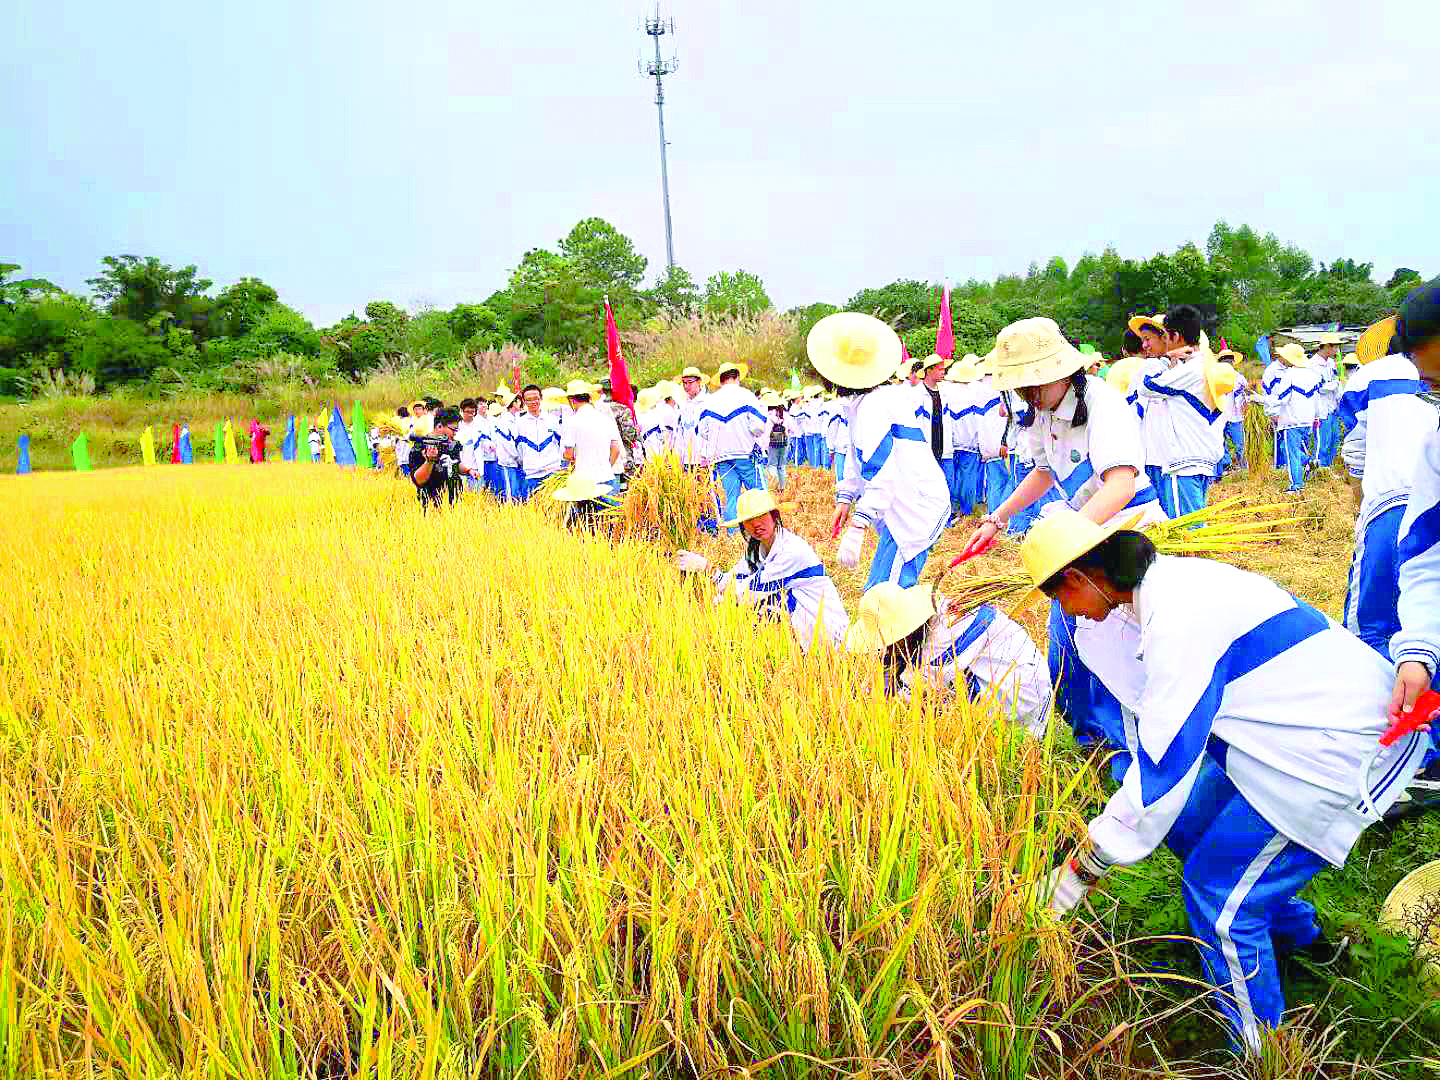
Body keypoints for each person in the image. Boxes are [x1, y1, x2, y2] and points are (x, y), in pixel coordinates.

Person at [1026, 510, 1429, 1055]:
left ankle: (1263, 1049)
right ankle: (1302, 942)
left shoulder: (1178, 618)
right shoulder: (1163, 590)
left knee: (1219, 903)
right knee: (1191, 827)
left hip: (1334, 749)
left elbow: (1165, 766)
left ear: (1078, 578)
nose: (1066, 612)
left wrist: (1084, 868)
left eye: (1059, 598)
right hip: (1289, 733)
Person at [962, 316, 1164, 763]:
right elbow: (1043, 472)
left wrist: (1068, 543)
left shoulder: (1104, 404)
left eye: (1034, 383)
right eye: (1021, 386)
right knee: (1066, 650)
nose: (1028, 394)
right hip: (1081, 543)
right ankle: (1087, 739)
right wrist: (996, 519)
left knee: (1111, 652)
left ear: (1061, 371)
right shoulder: (1043, 413)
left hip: (1122, 539)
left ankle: (1124, 750)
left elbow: (1120, 486)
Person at [812, 314, 950, 591]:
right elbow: (858, 457)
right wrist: (846, 497)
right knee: (880, 591)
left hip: (913, 510)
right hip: (904, 506)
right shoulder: (869, 401)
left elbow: (882, 473)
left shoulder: (873, 407)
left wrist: (859, 525)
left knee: (887, 596)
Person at [1332, 333, 1434, 657]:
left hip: (1389, 503)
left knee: (1371, 627)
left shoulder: (1371, 375)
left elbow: (1355, 450)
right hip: (1432, 505)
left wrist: (1359, 500)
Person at [846, 582, 1050, 733]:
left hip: (1020, 697)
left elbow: (913, 693)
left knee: (932, 711)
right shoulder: (938, 607)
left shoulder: (941, 644)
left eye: (889, 642)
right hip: (1020, 668)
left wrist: (873, 699)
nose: (886, 648)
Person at [674, 489, 847, 649]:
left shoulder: (791, 550)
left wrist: (709, 570)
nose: (756, 524)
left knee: (762, 603)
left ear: (774, 516)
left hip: (825, 629)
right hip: (802, 623)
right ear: (743, 526)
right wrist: (709, 574)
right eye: (749, 520)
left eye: (762, 516)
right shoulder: (758, 549)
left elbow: (749, 592)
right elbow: (734, 580)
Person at [1133, 305, 1227, 517]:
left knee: (1185, 527)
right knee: (1194, 521)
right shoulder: (1203, 365)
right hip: (1199, 459)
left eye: (1166, 336)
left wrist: (1166, 358)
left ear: (1175, 336)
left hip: (1184, 462)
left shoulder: (1191, 369)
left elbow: (1147, 386)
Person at [699, 362, 768, 526]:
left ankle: (732, 533)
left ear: (721, 380)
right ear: (737, 377)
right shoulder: (747, 396)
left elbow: (703, 431)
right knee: (758, 495)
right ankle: (764, 527)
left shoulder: (710, 401)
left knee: (731, 497)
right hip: (745, 453)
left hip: (721, 457)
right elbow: (758, 427)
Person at [1270, 343, 1322, 493]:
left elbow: (1283, 399)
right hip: (1308, 420)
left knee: (1291, 453)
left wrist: (1263, 401)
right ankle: (1309, 462)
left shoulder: (1289, 375)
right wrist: (1316, 416)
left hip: (1291, 421)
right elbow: (1317, 400)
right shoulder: (1313, 375)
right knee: (1293, 449)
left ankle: (1296, 486)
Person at [407, 406, 478, 508]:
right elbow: (419, 480)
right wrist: (429, 461)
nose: (455, 433)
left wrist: (469, 470)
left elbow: (456, 463)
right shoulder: (419, 448)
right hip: (431, 505)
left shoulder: (453, 445)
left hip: (454, 502)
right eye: (453, 430)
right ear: (439, 426)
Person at [561, 379, 624, 488]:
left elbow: (568, 455)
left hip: (584, 481)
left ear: (571, 400)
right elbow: (616, 449)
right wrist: (606, 467)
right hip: (607, 477)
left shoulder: (572, 422)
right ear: (589, 398)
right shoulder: (605, 419)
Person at [945, 356, 984, 518]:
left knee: (951, 476)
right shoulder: (976, 393)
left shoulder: (946, 392)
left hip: (950, 443)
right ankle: (966, 510)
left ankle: (951, 508)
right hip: (970, 442)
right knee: (968, 477)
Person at [513, 384, 564, 498]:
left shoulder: (552, 420)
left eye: (536, 398)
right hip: (531, 475)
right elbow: (518, 450)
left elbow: (560, 444)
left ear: (541, 399)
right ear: (524, 402)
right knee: (533, 506)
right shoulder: (519, 423)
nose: (533, 402)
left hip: (552, 472)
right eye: (529, 400)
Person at [1312, 331, 1344, 468]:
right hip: (1321, 410)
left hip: (1332, 407)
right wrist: (1335, 384)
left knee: (1334, 439)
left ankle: (1328, 469)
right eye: (1335, 346)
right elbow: (1318, 388)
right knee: (1323, 443)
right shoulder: (1312, 365)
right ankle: (1319, 470)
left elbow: (1336, 381)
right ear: (1326, 346)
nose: (1337, 350)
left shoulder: (1331, 363)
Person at [599, 378, 641, 480]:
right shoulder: (622, 409)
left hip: (600, 459)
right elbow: (629, 436)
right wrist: (636, 432)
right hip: (622, 458)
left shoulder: (595, 409)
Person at [675, 367, 709, 468]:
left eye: (690, 382)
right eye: (684, 383)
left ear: (699, 382)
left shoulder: (708, 402)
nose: (686, 386)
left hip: (704, 460)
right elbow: (680, 432)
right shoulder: (683, 405)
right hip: (686, 460)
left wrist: (706, 455)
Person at [760, 391, 788, 490]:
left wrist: (764, 447)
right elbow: (791, 428)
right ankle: (782, 487)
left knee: (772, 464)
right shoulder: (785, 414)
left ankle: (773, 486)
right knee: (781, 466)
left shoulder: (767, 415)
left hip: (771, 443)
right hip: (783, 442)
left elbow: (766, 433)